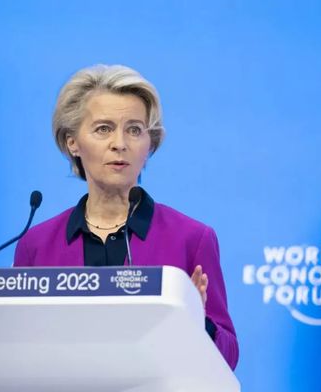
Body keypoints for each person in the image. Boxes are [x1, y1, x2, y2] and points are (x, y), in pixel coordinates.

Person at [14, 64, 238, 369]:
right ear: (72, 141)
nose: (120, 143)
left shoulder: (192, 238)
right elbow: (20, 352)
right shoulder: (36, 245)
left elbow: (228, 357)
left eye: (134, 130)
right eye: (103, 129)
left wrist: (199, 323)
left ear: (150, 143)